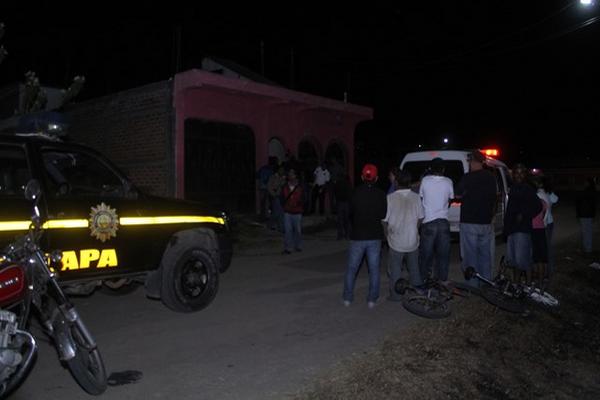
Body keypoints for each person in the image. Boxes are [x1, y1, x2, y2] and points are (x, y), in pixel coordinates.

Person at [342, 164, 387, 308]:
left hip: (358, 235)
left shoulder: (355, 193)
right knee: (374, 269)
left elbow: (350, 213)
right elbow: (383, 214)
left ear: (362, 177)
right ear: (376, 178)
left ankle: (348, 298)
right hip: (374, 235)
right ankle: (372, 299)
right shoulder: (381, 194)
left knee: (352, 269)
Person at [455, 151, 498, 286]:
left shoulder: (468, 177)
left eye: (469, 162)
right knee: (485, 255)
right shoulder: (491, 177)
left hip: (470, 222)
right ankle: (486, 284)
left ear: (473, 162)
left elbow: (457, 195)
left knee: (470, 256)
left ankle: (473, 286)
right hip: (485, 222)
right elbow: (495, 197)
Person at [383, 169, 424, 301]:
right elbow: (421, 218)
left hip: (396, 241)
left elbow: (384, 220)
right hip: (412, 241)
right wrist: (414, 229)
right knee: (414, 269)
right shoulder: (416, 197)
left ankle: (396, 296)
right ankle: (418, 294)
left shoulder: (390, 198)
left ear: (396, 182)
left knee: (395, 270)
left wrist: (387, 235)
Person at [503, 164, 542, 285]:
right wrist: (506, 229)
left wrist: (524, 214)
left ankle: (528, 284)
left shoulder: (527, 189)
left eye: (521, 173)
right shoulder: (513, 188)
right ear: (513, 175)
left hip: (522, 229)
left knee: (523, 259)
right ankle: (516, 284)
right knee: (514, 260)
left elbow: (538, 206)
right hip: (512, 229)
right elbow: (509, 210)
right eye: (517, 173)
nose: (519, 175)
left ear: (525, 175)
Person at [418, 158, 454, 283]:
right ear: (443, 169)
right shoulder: (448, 181)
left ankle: (424, 281)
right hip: (443, 221)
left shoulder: (425, 180)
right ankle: (442, 282)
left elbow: (421, 198)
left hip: (428, 221)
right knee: (443, 256)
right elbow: (450, 200)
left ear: (431, 169)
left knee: (425, 256)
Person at [537, 177, 558, 276]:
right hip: (549, 222)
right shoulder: (548, 193)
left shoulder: (541, 194)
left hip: (545, 223)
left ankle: (548, 270)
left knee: (545, 247)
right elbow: (555, 199)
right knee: (547, 246)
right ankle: (550, 269)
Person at [282, 169, 304, 254]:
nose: (290, 176)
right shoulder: (285, 186)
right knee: (288, 231)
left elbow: (304, 197)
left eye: (292, 174)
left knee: (298, 231)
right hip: (287, 211)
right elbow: (281, 197)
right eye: (289, 174)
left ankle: (298, 245)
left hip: (297, 211)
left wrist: (299, 203)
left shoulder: (300, 186)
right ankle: (288, 248)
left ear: (295, 175)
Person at [576, 177, 597, 257]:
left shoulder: (586, 192)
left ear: (588, 183)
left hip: (584, 214)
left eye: (585, 182)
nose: (584, 183)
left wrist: (578, 213)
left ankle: (587, 250)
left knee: (586, 232)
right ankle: (588, 249)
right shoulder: (592, 191)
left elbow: (579, 201)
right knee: (588, 232)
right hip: (589, 214)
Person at [267, 166, 286, 232]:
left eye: (283, 170)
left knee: (277, 212)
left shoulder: (284, 177)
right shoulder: (273, 177)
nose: (282, 171)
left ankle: (271, 225)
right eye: (280, 170)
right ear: (278, 170)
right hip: (275, 196)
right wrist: (274, 194)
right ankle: (280, 227)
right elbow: (269, 187)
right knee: (278, 212)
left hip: (282, 197)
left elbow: (284, 186)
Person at [334, 173, 352, 240]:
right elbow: (350, 193)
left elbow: (335, 193)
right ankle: (347, 235)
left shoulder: (338, 183)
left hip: (340, 203)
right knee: (347, 220)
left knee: (340, 220)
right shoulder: (348, 183)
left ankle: (340, 235)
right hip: (346, 203)